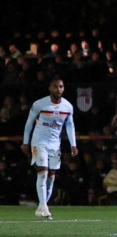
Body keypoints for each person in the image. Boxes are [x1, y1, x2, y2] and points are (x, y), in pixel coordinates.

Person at [21, 77, 78, 219]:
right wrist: (25, 142)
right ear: (50, 88)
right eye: (55, 86)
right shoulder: (40, 104)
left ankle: (42, 206)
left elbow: (70, 126)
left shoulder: (68, 106)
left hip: (55, 144)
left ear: (63, 88)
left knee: (52, 177)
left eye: (61, 86)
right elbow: (29, 123)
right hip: (39, 141)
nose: (58, 89)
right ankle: (44, 207)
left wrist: (73, 144)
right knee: (43, 172)